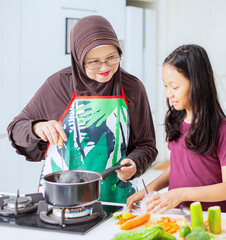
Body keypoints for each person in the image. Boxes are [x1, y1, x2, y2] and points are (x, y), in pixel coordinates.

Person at [7, 15, 157, 203]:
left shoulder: (133, 88)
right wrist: (38, 127)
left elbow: (147, 146)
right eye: (94, 61)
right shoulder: (58, 85)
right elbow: (15, 128)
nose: (104, 67)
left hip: (115, 198)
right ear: (78, 59)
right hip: (60, 196)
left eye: (112, 57)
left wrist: (136, 163)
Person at [126, 44, 226, 213]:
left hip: (206, 221)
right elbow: (178, 166)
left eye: (174, 87)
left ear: (197, 84)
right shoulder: (176, 120)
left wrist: (180, 194)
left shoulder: (222, 130)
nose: (168, 94)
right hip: (176, 216)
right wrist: (149, 189)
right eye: (165, 86)